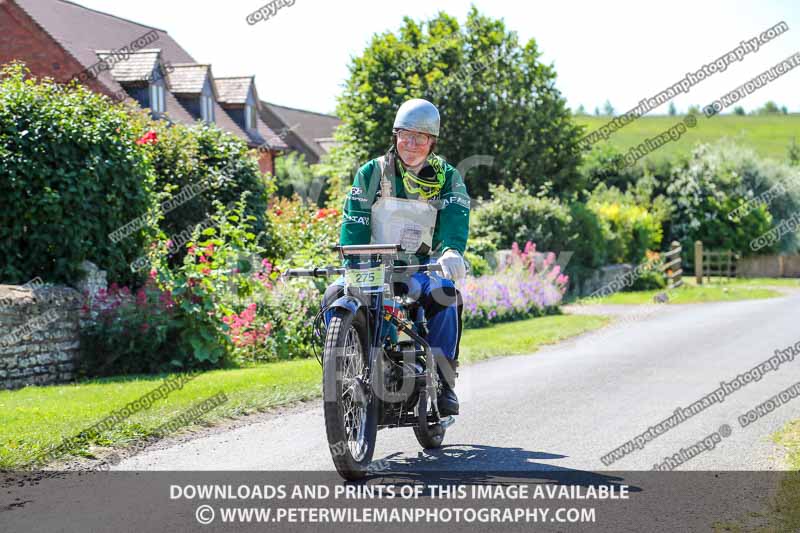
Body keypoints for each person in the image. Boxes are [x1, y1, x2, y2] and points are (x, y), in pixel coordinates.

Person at [321, 98, 470, 416]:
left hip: (419, 269)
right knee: (334, 293)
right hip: (371, 267)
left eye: (420, 137)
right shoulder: (371, 173)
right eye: (405, 135)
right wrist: (353, 266)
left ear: (431, 142)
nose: (411, 144)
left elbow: (455, 220)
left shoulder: (447, 177)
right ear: (395, 135)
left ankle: (443, 382)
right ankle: (346, 372)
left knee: (445, 297)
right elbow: (355, 223)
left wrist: (452, 250)